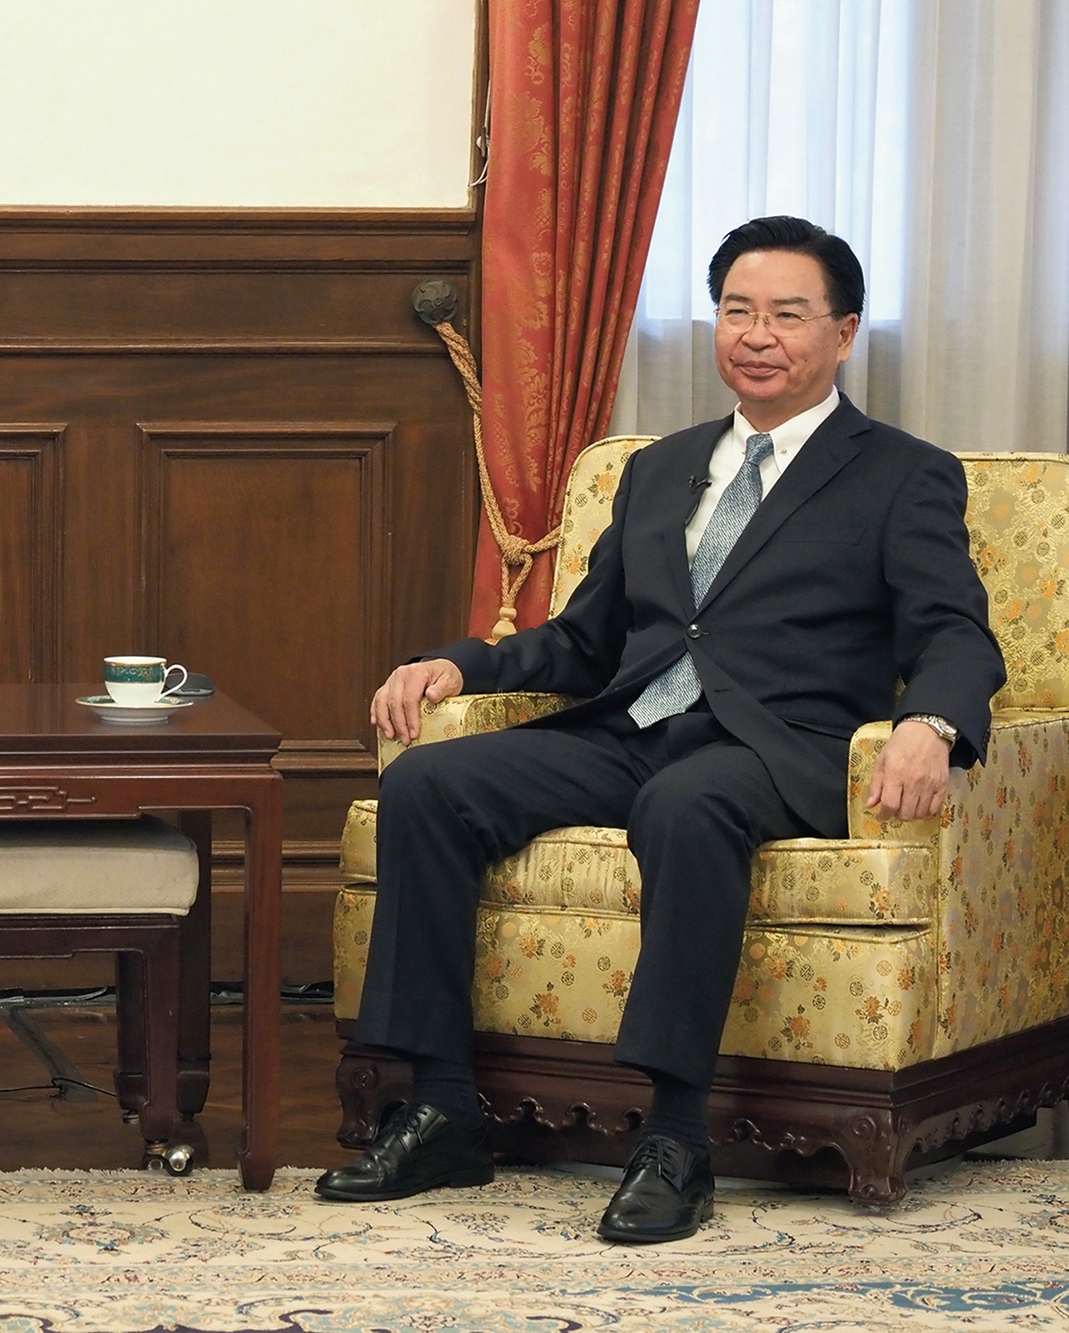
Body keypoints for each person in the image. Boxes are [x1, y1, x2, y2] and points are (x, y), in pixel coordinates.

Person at [314, 217, 1004, 1243]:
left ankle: (675, 1140)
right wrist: (461, 663)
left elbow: (955, 630)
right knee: (427, 783)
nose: (756, 335)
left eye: (786, 314)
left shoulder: (901, 473)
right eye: (736, 310)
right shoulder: (659, 467)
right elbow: (582, 640)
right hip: (633, 727)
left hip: (776, 747)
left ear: (844, 332)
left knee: (685, 803)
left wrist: (931, 722)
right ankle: (443, 1107)